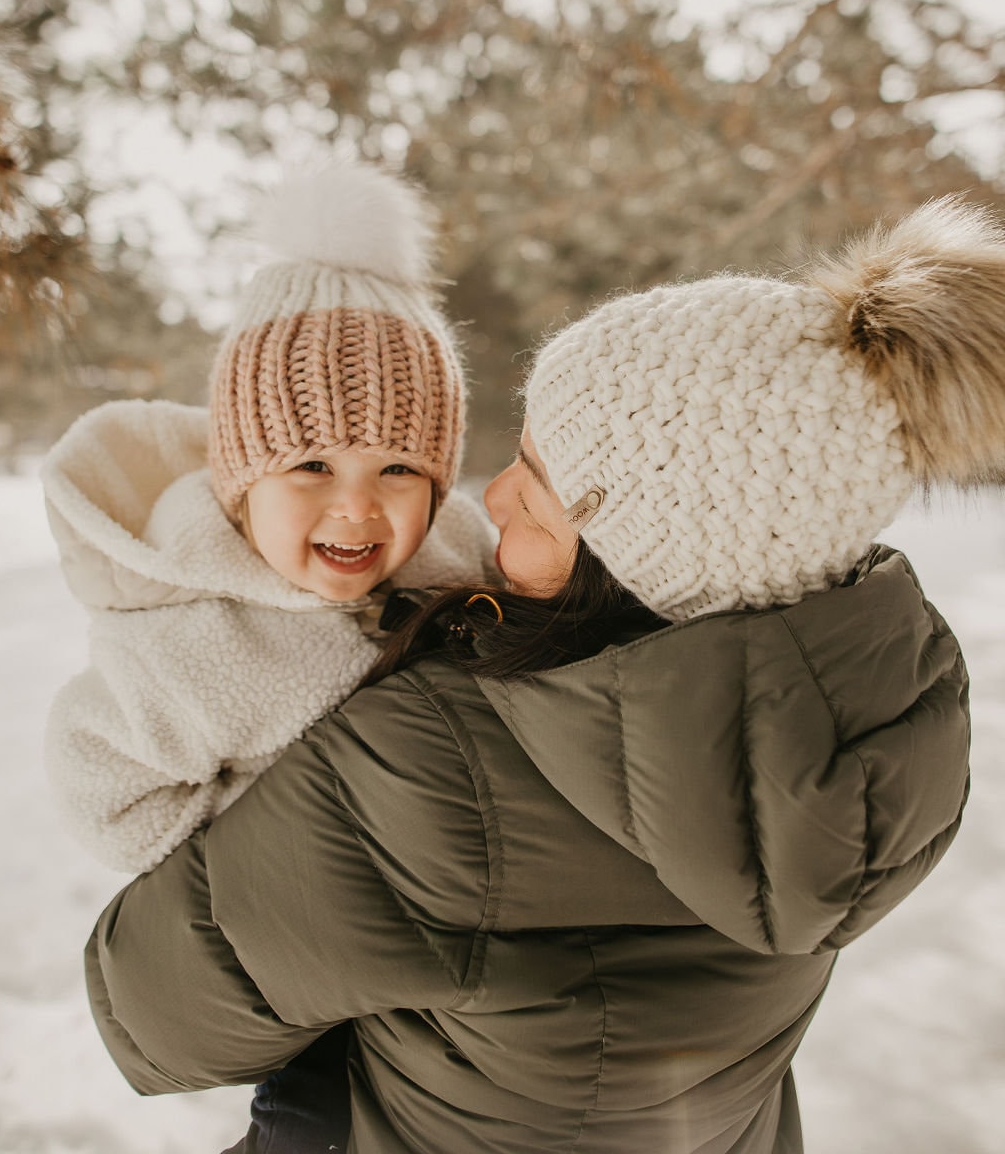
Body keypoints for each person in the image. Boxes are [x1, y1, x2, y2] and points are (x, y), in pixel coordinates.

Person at [83, 196, 999, 1154]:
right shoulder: (862, 729)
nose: (490, 496)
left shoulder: (438, 766)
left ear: (632, 562)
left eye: (538, 484)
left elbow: (152, 1012)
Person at [42, 160, 496, 1153]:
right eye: (310, 466)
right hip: (313, 990)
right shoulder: (192, 636)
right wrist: (271, 852)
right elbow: (101, 782)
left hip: (470, 983)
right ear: (243, 478)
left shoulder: (463, 561)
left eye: (399, 469)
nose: (357, 504)